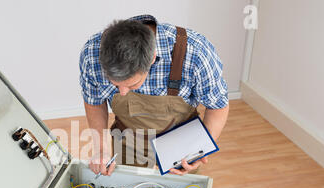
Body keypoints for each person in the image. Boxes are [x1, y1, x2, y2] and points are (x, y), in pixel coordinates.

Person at [79, 14, 229, 176]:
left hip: (181, 144)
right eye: (115, 85)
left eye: (131, 85)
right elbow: (94, 101)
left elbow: (218, 106)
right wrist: (101, 149)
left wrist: (198, 150)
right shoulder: (91, 54)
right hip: (128, 141)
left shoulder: (196, 53)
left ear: (152, 59)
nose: (122, 92)